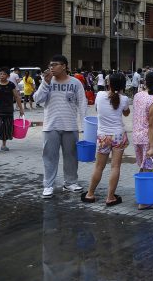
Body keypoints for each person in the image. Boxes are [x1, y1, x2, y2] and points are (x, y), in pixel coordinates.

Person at [33, 55, 87, 199]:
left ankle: (70, 182)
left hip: (70, 125)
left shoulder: (75, 83)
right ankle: (48, 185)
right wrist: (45, 83)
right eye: (50, 65)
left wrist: (84, 125)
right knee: (49, 157)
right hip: (51, 125)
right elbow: (37, 99)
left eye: (55, 65)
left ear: (64, 66)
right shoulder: (47, 82)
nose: (51, 67)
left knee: (71, 156)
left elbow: (82, 103)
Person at [81, 73, 130, 206]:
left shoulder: (100, 95)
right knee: (115, 167)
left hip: (103, 136)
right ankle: (110, 197)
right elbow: (126, 113)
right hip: (118, 135)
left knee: (98, 166)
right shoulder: (124, 99)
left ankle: (90, 194)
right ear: (123, 86)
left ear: (109, 83)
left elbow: (98, 110)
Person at [132, 71, 153, 210]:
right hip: (147, 138)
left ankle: (142, 195)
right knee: (149, 167)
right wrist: (151, 146)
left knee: (143, 166)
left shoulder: (137, 95)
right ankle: (145, 201)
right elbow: (151, 124)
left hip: (137, 136)